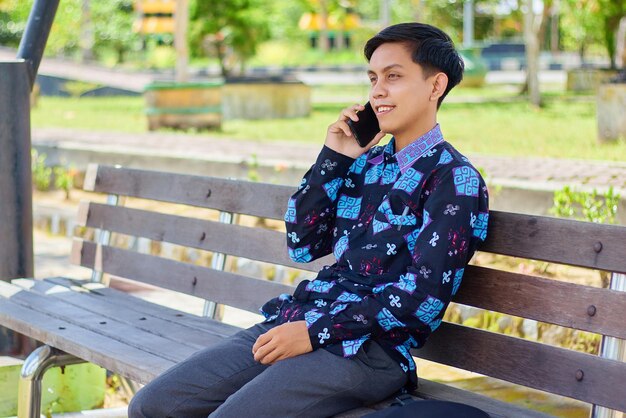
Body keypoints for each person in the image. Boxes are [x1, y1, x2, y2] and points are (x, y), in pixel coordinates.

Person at [128, 22, 489, 418]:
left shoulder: (454, 179)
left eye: (394, 77)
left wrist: (315, 332)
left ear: (436, 86)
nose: (377, 91)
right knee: (153, 407)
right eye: (373, 78)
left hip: (368, 350)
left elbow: (421, 300)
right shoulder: (365, 163)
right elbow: (302, 242)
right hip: (301, 318)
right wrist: (334, 156)